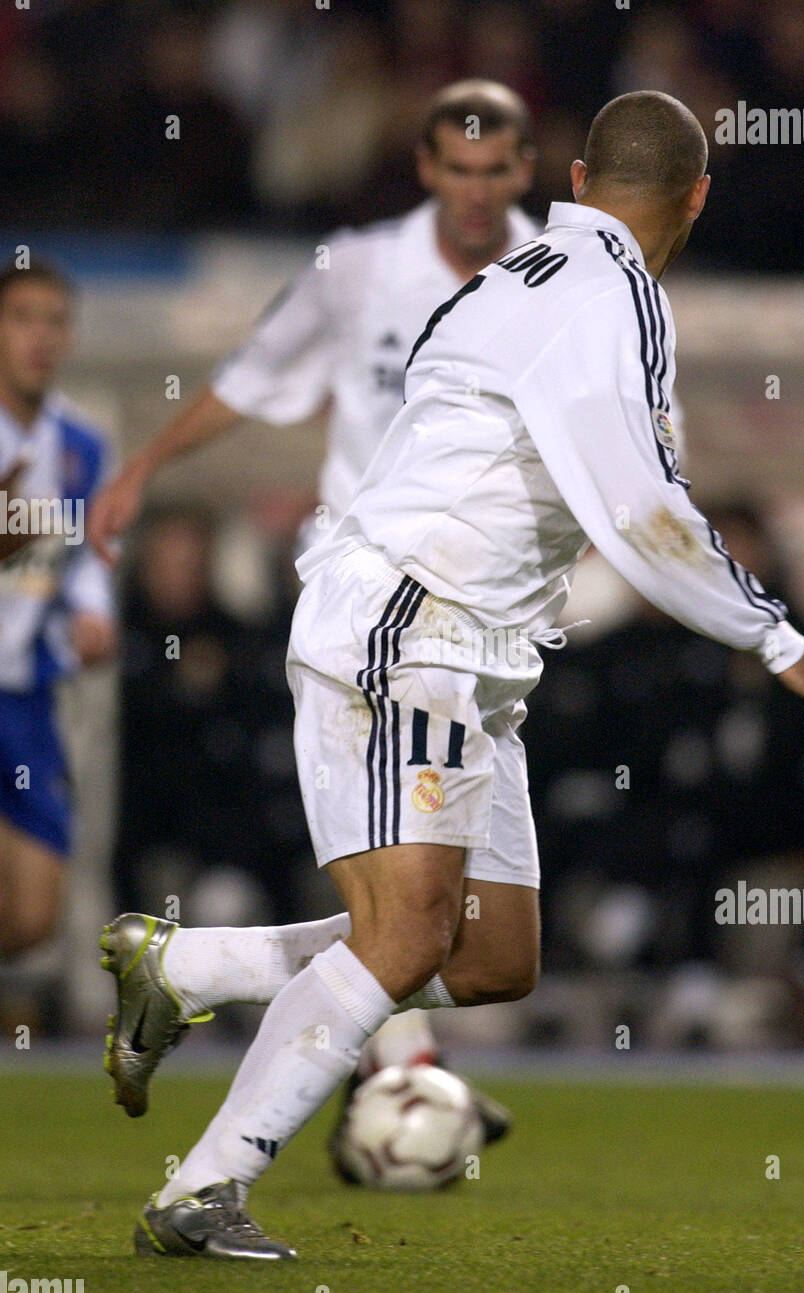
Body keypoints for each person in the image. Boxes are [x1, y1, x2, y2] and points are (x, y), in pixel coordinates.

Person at [106, 90, 804, 1260]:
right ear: (696, 197)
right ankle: (202, 1188)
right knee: (409, 931)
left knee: (487, 956)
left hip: (468, 651)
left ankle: (184, 961)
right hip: (412, 628)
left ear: (575, 180)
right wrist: (784, 643)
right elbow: (639, 511)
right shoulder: (613, 300)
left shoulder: (510, 281)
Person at [91, 79, 538, 1166]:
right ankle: (360, 1091)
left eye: (496, 170)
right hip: (372, 615)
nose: (476, 191)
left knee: (482, 944)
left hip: (486, 625)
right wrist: (148, 464)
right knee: (411, 902)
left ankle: (192, 971)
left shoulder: (555, 281)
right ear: (425, 169)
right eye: (457, 168)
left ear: (523, 172)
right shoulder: (357, 269)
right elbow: (253, 376)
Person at [0, 260, 115, 963]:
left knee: (37, 915)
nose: (40, 336)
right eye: (21, 318)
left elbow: (91, 551)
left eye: (54, 320)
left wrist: (91, 611)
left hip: (32, 698)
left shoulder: (81, 445)